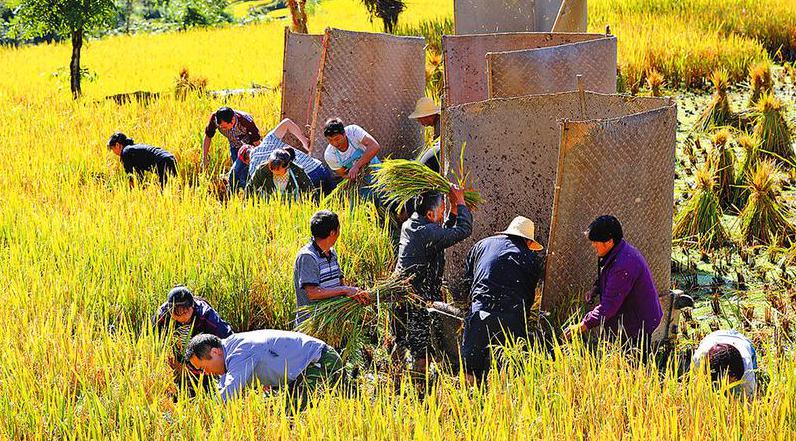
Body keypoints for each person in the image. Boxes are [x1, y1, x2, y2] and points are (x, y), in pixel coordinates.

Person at [393, 188, 473, 372]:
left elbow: (441, 234)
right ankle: (418, 390)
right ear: (430, 213)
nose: (443, 212)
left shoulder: (413, 224)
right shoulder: (425, 232)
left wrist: (453, 210)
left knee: (410, 344)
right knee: (422, 353)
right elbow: (464, 230)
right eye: (442, 209)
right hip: (416, 301)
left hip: (408, 296)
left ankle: (399, 381)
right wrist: (460, 202)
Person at [460, 216, 544, 384]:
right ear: (528, 241)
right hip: (511, 321)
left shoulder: (482, 245)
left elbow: (467, 281)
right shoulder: (531, 259)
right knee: (507, 373)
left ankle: (465, 404)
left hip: (480, 315)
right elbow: (528, 297)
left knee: (470, 371)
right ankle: (501, 402)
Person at [564, 215, 663, 344]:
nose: (593, 245)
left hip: (638, 323)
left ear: (609, 241)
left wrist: (582, 326)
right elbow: (608, 277)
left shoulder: (624, 264)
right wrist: (596, 289)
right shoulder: (617, 252)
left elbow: (608, 307)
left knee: (635, 360)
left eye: (596, 242)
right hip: (630, 317)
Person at [185, 330, 343, 402]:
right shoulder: (230, 353)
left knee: (291, 416)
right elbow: (223, 388)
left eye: (203, 367)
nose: (204, 373)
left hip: (320, 362)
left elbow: (230, 390)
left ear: (215, 352)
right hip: (302, 373)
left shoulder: (240, 350)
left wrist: (206, 414)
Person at [293, 210, 370, 327]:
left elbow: (340, 283)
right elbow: (313, 293)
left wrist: (356, 294)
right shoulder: (308, 256)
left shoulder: (331, 253)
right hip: (313, 326)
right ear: (333, 232)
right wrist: (345, 290)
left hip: (332, 324)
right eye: (339, 229)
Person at [152, 286, 234, 394]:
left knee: (205, 390)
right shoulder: (162, 316)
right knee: (179, 391)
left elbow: (227, 337)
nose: (181, 318)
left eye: (185, 313)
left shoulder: (206, 315)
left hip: (202, 358)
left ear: (192, 306)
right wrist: (171, 360)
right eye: (176, 314)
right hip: (178, 357)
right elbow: (156, 342)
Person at [246, 118, 335, 194]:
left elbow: (256, 189)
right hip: (320, 168)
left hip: (305, 178)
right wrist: (304, 142)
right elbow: (287, 122)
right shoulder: (267, 140)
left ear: (247, 160)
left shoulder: (253, 165)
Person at [202, 107, 262, 191]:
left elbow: (257, 144)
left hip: (249, 149)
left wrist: (256, 161)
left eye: (225, 127)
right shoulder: (215, 118)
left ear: (233, 120)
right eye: (220, 127)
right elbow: (208, 136)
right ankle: (236, 193)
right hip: (234, 145)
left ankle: (248, 193)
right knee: (237, 174)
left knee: (239, 173)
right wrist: (204, 158)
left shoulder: (246, 121)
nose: (222, 129)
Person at [692, 330, 758, 399]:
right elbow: (697, 385)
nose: (728, 382)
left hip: (742, 340)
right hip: (713, 337)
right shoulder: (699, 359)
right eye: (725, 379)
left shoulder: (746, 364)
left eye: (732, 378)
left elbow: (749, 395)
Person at [107, 132, 177, 187]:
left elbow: (131, 177)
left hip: (162, 162)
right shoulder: (132, 150)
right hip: (170, 158)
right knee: (173, 188)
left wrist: (130, 195)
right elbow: (139, 176)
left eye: (112, 149)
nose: (113, 152)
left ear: (117, 145)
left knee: (165, 192)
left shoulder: (125, 152)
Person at [323, 118, 381, 183]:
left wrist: (357, 166)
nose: (335, 143)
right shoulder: (330, 155)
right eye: (330, 140)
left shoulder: (353, 131)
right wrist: (352, 176)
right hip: (361, 182)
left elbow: (375, 146)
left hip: (377, 170)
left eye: (337, 139)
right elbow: (343, 174)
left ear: (344, 134)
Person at [245, 148, 315, 200]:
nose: (274, 173)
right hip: (269, 209)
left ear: (287, 166)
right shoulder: (262, 170)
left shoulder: (298, 171)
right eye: (272, 169)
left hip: (292, 210)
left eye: (278, 171)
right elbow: (250, 189)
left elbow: (310, 191)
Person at [408, 97, 442, 173]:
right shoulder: (438, 123)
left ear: (428, 116)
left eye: (420, 118)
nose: (419, 121)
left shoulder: (441, 125)